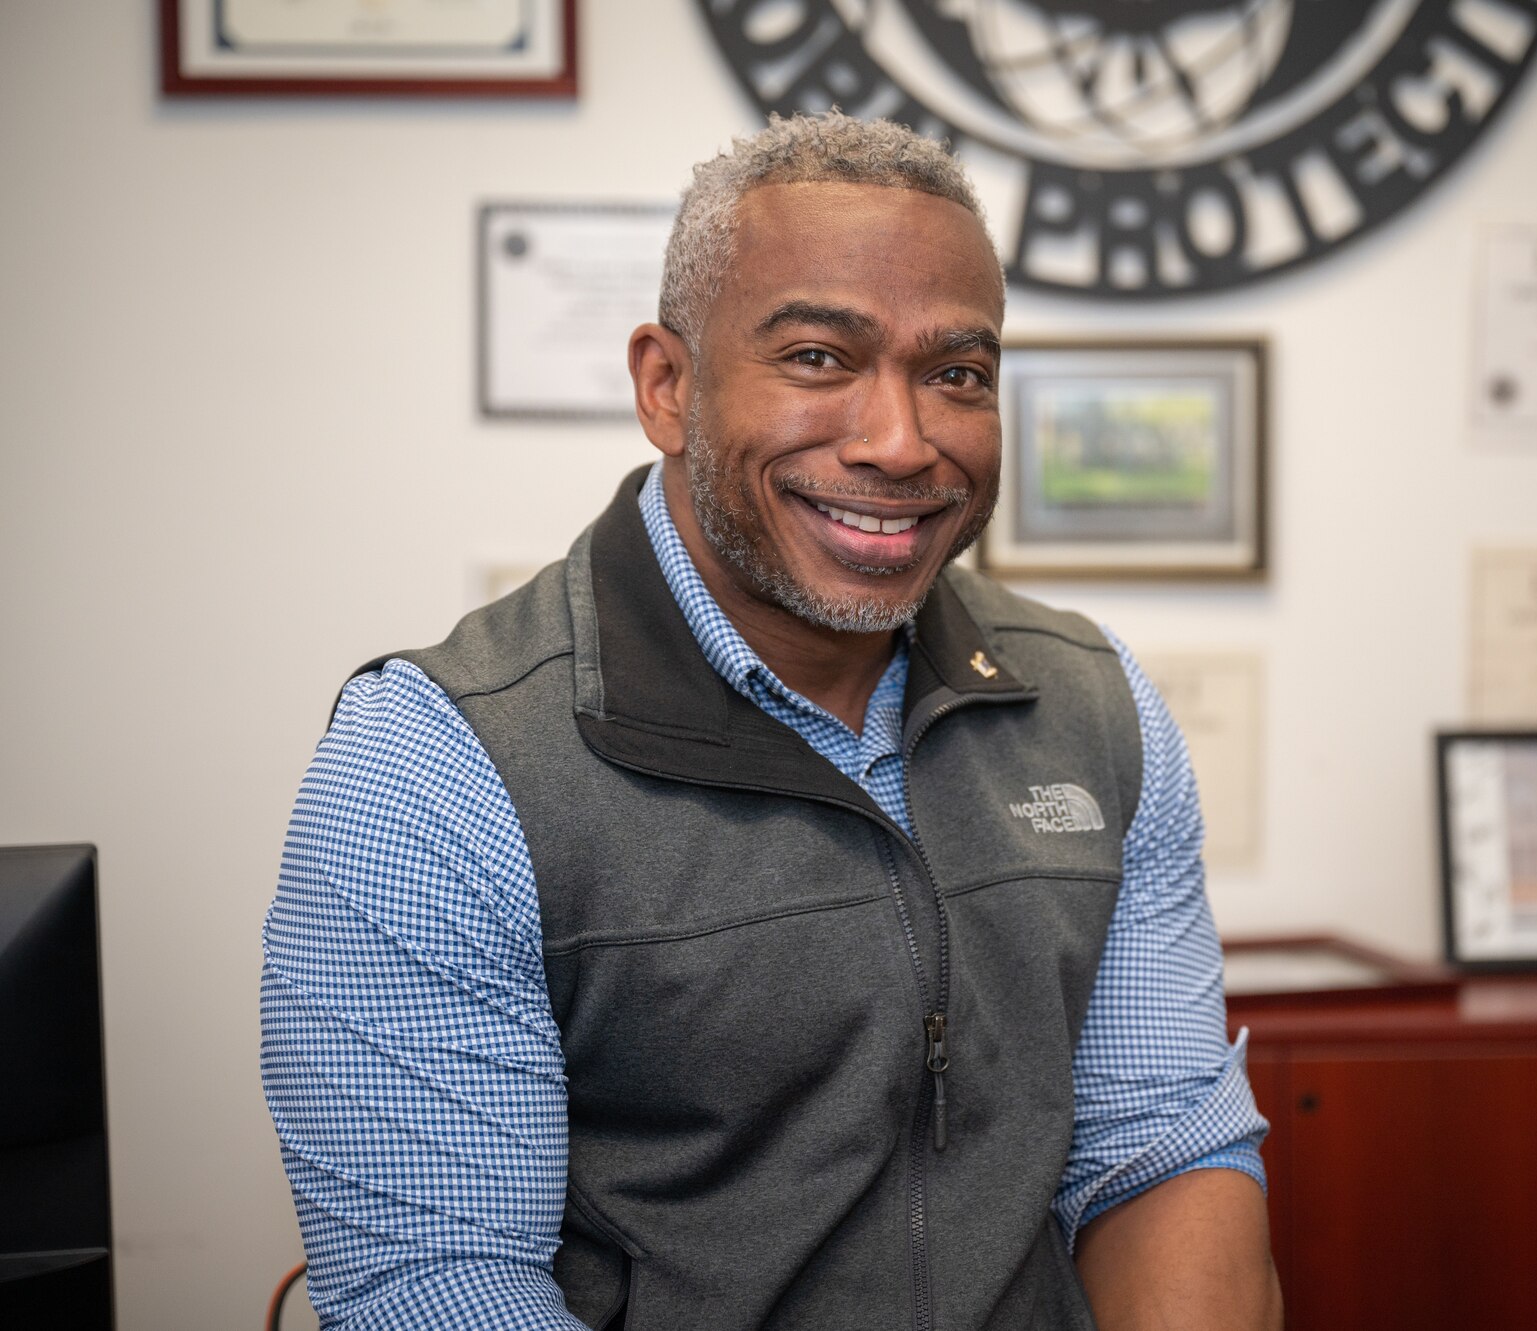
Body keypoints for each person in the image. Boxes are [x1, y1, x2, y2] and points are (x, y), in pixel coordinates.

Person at [262, 111, 1281, 1331]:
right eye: (816, 358)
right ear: (667, 385)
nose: (901, 442)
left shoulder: (1090, 701)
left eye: (956, 373)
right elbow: (438, 1284)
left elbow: (1158, 1138)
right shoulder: (435, 765)